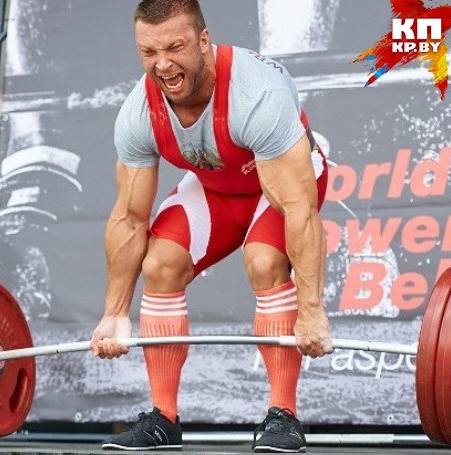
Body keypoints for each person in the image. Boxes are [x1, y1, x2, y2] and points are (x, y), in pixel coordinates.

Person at [90, 0, 333, 452]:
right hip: (217, 186)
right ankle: (163, 420)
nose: (163, 65)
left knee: (263, 261)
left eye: (175, 47)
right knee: (160, 264)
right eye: (149, 52)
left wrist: (312, 310)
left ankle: (283, 415)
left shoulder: (256, 95)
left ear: (204, 41)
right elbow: (129, 217)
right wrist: (114, 313)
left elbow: (299, 209)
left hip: (282, 186)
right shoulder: (139, 114)